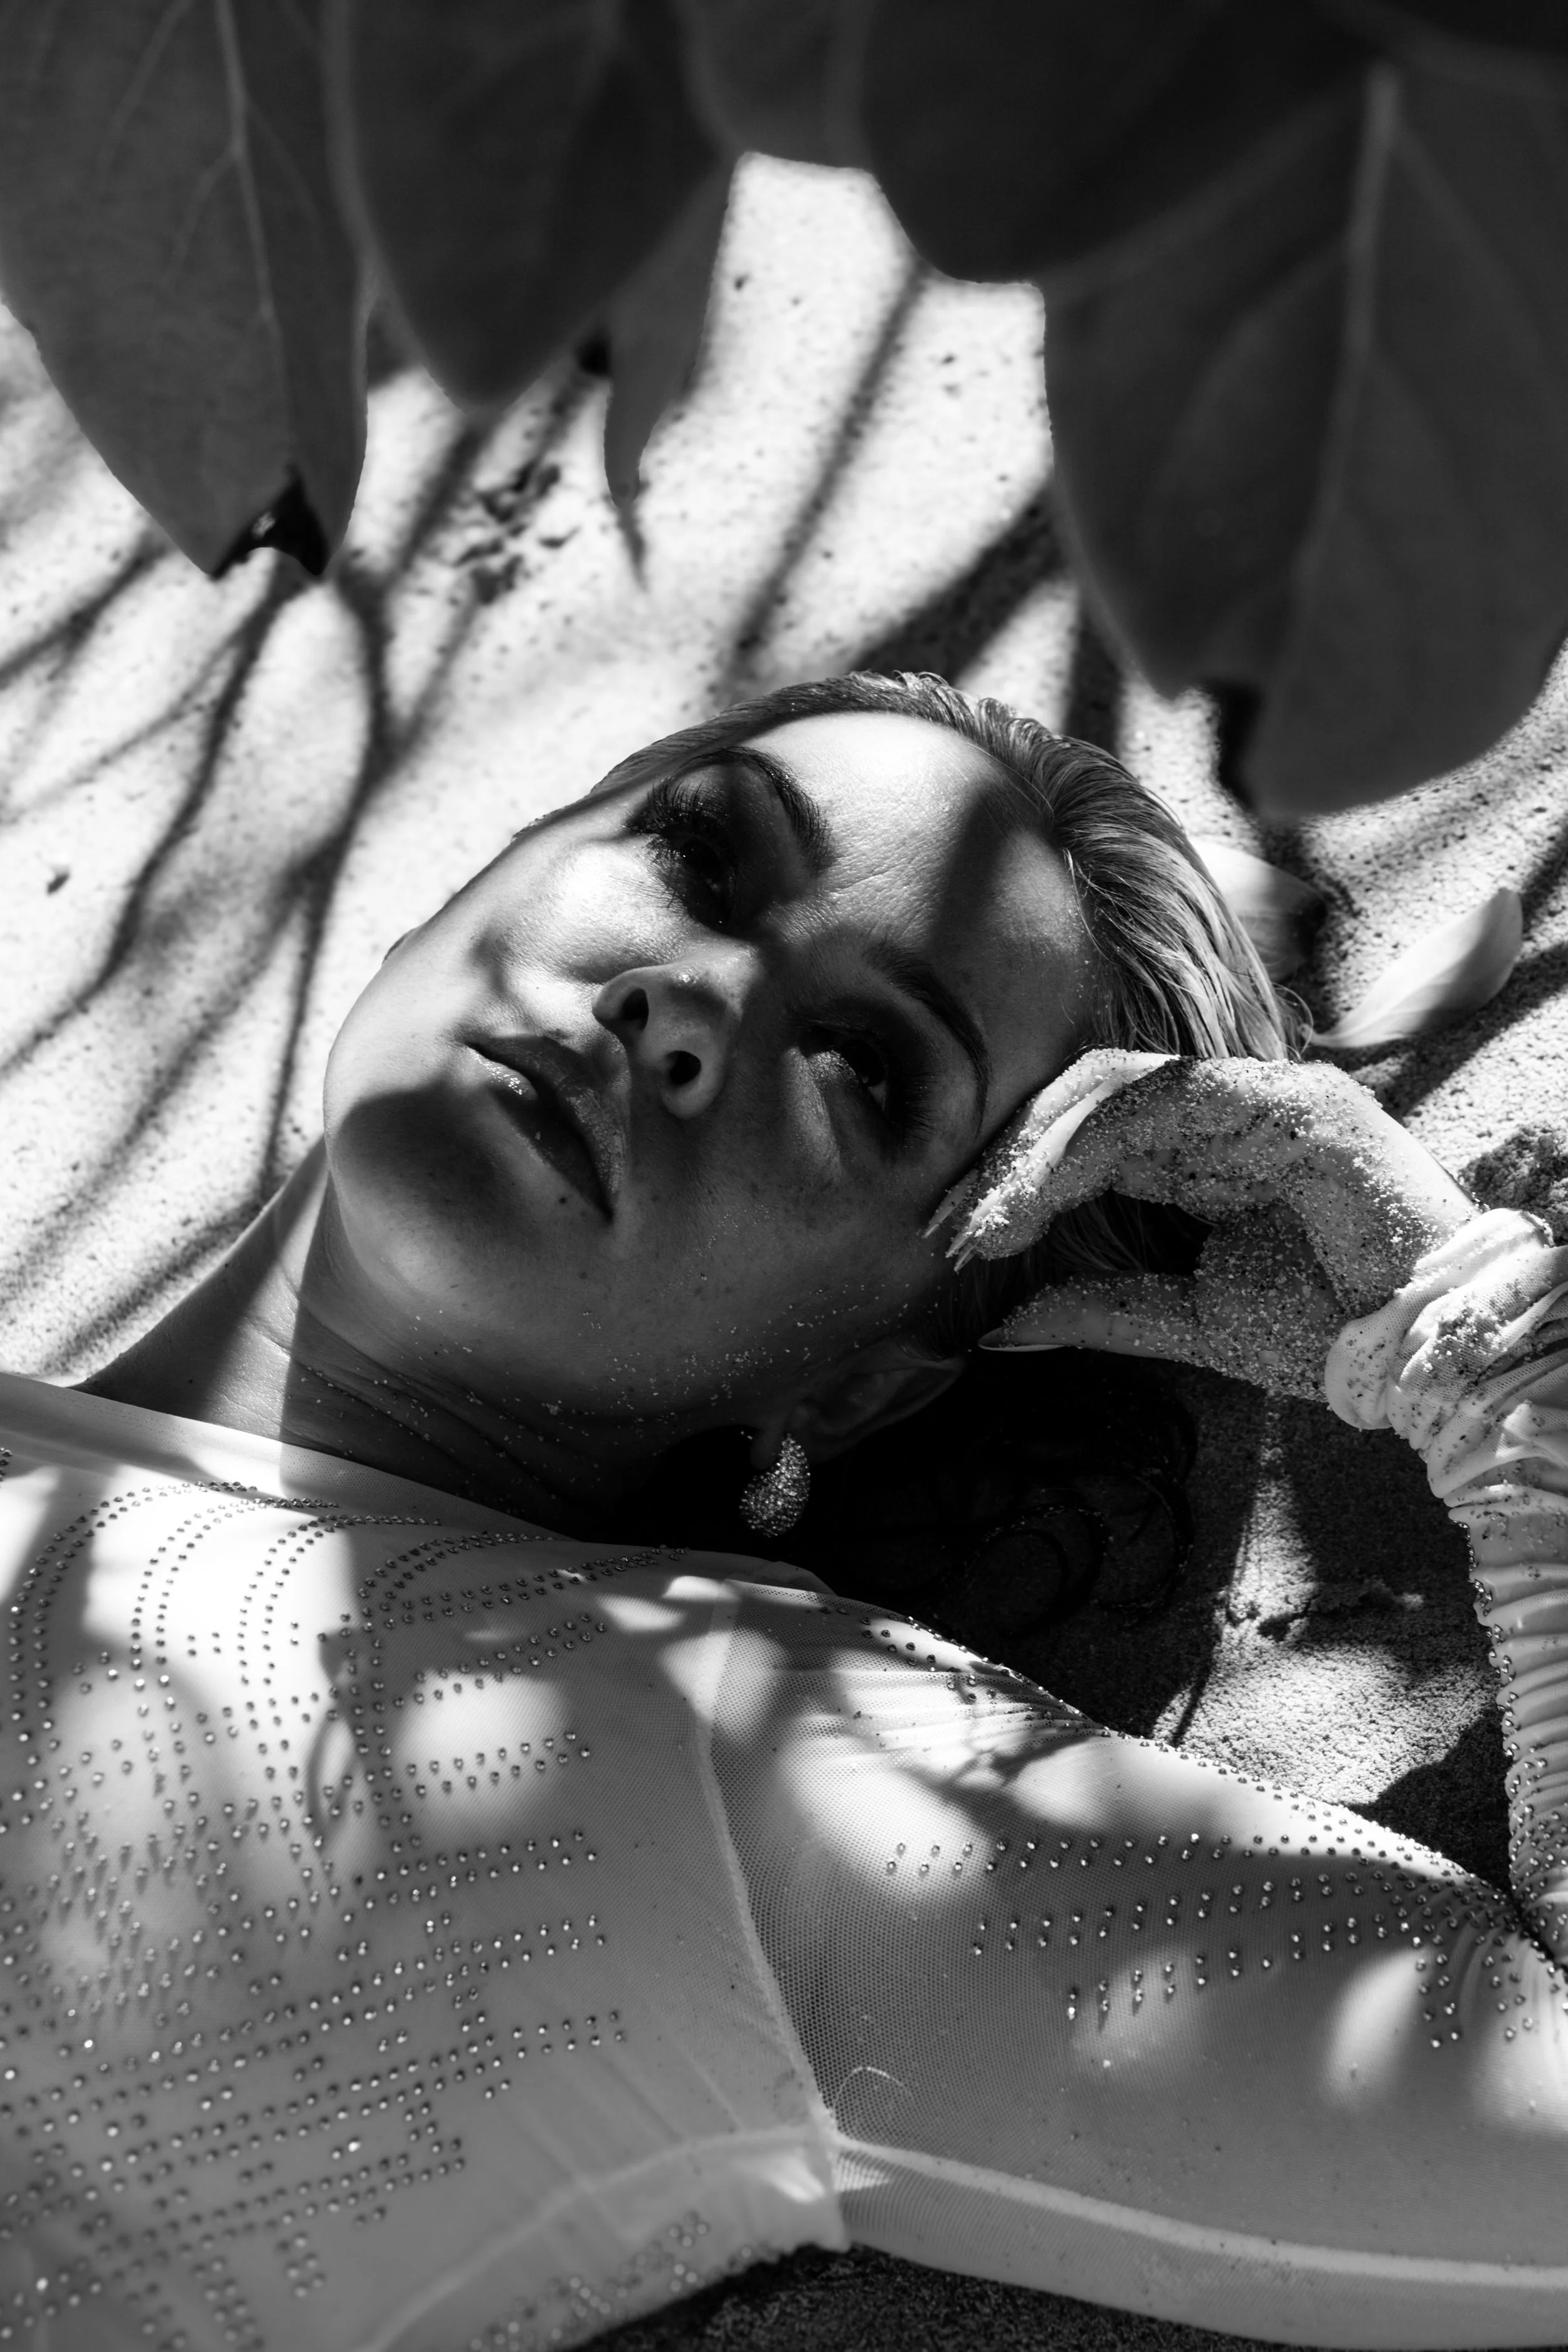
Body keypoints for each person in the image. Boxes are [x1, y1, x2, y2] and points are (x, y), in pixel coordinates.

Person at [1, 670, 1565, 2352]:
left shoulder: (735, 1756)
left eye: (869, 1072)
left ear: (867, 1373)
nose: (684, 999)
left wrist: (1486, 1371)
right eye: (697, 856)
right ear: (485, 870)